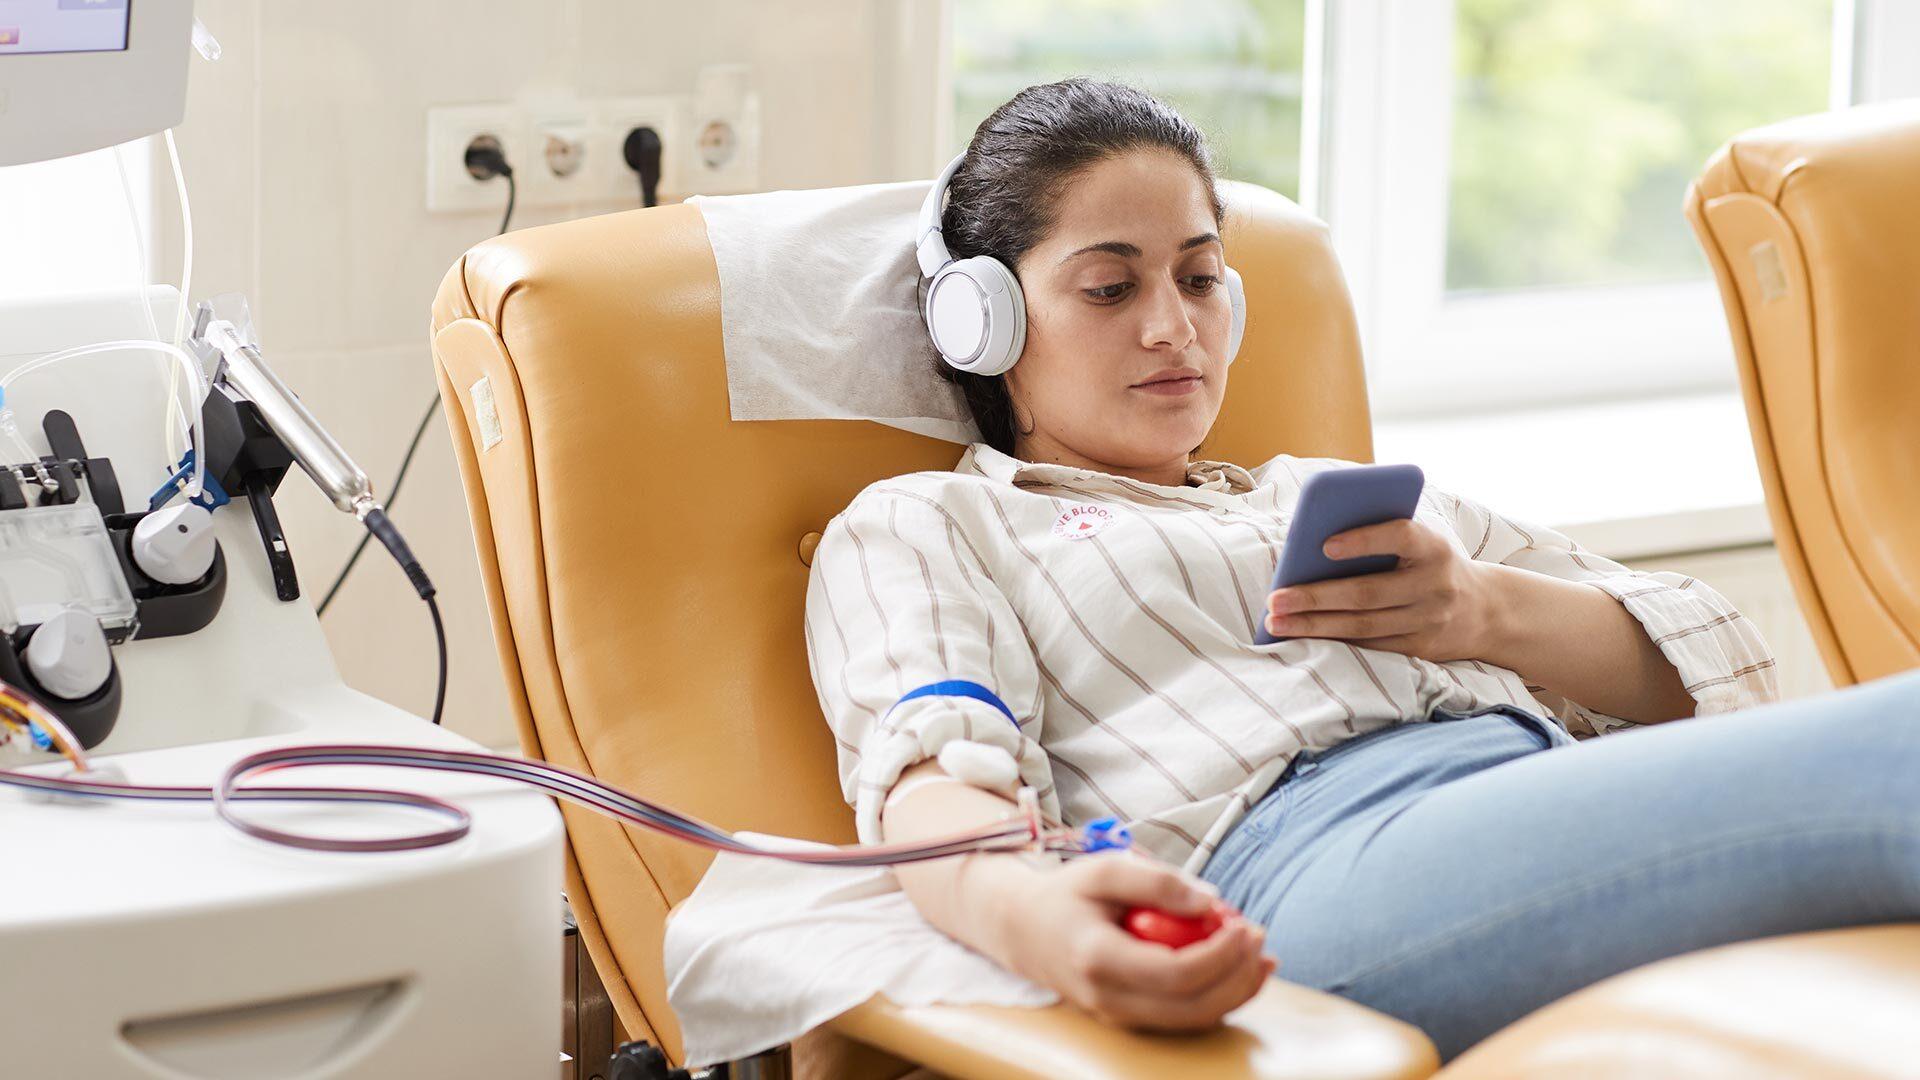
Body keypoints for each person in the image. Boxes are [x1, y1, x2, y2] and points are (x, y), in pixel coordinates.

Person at [802, 77, 1920, 1061]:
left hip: (1519, 797)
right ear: (983, 323)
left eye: (1200, 279)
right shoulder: (930, 523)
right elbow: (932, 775)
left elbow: (1715, 665)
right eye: (1111, 289)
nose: (1173, 329)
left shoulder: (1334, 497)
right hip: (1305, 873)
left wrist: (1480, 607)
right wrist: (1038, 922)